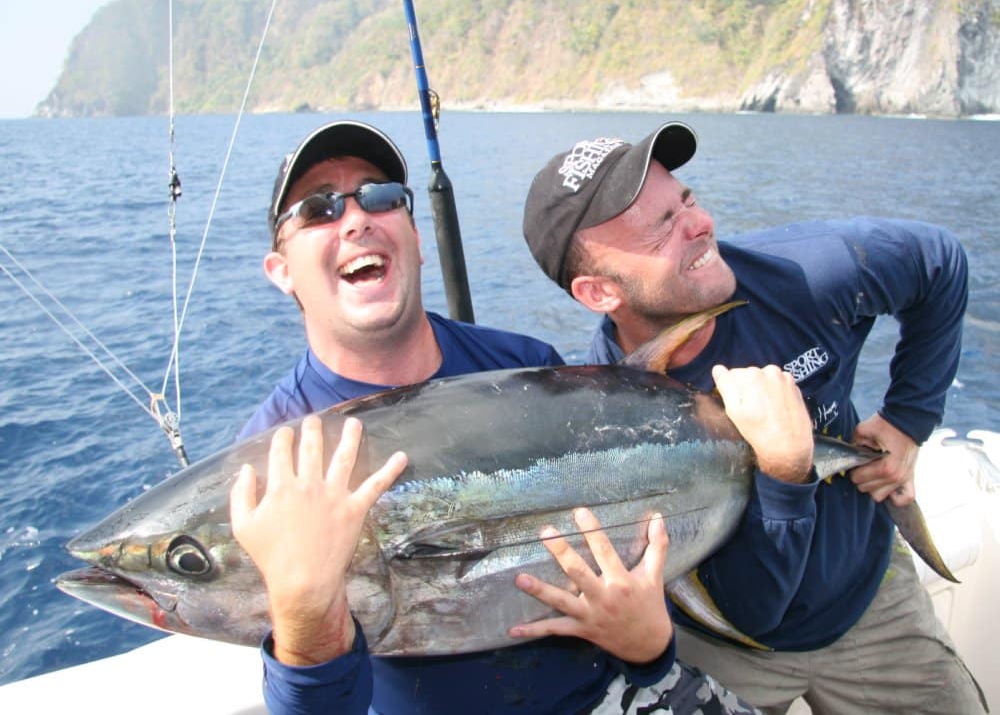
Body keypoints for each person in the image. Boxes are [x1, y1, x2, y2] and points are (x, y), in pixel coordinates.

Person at [226, 119, 777, 714]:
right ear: (281, 271)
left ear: (412, 234)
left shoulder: (522, 365)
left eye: (381, 197)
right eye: (317, 209)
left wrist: (650, 645)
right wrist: (303, 617)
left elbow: (632, 533)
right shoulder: (271, 460)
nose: (356, 218)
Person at [521, 121, 988, 715]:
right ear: (598, 293)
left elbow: (938, 263)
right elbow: (752, 608)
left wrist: (908, 420)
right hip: (728, 641)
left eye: (685, 199)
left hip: (870, 600)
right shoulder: (608, 426)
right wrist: (785, 469)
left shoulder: (804, 276)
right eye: (660, 227)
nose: (699, 223)